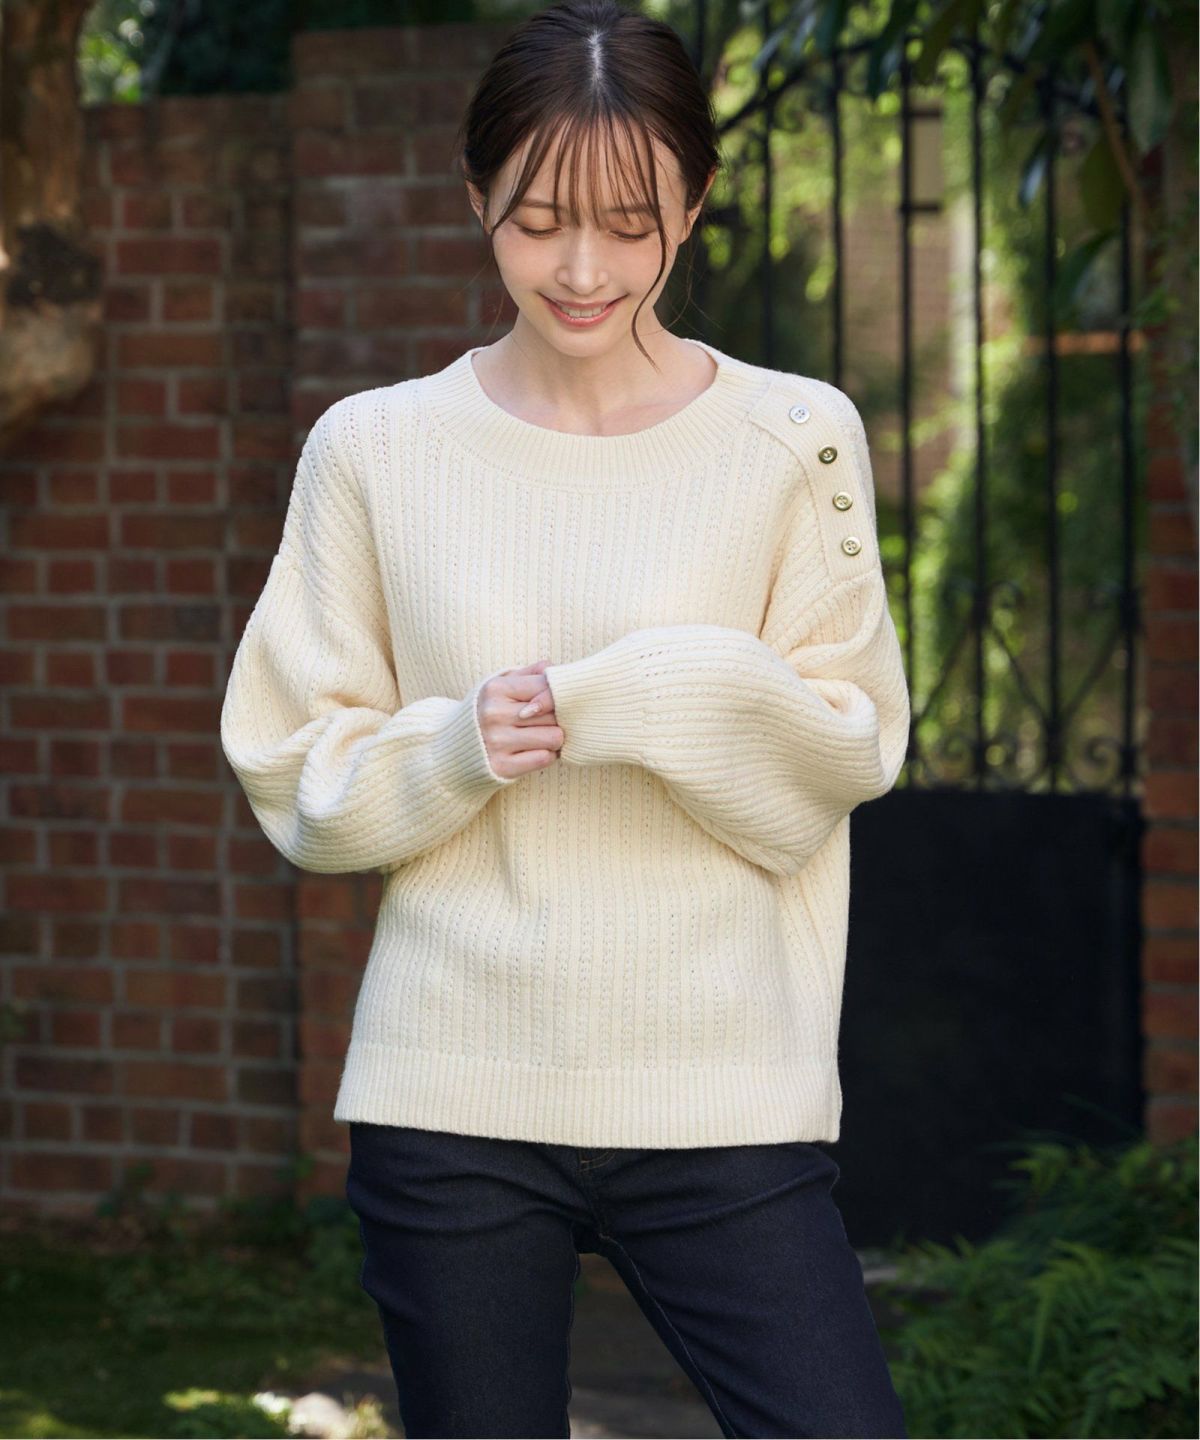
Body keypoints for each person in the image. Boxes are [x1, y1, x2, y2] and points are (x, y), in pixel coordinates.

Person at [220, 1, 912, 1435]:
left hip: (723, 1093)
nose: (584, 270)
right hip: (452, 1097)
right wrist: (458, 747)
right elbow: (296, 769)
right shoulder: (373, 450)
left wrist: (650, 694)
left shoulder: (798, 439)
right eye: (537, 223)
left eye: (629, 223)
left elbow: (850, 746)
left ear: (695, 206)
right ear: (475, 196)